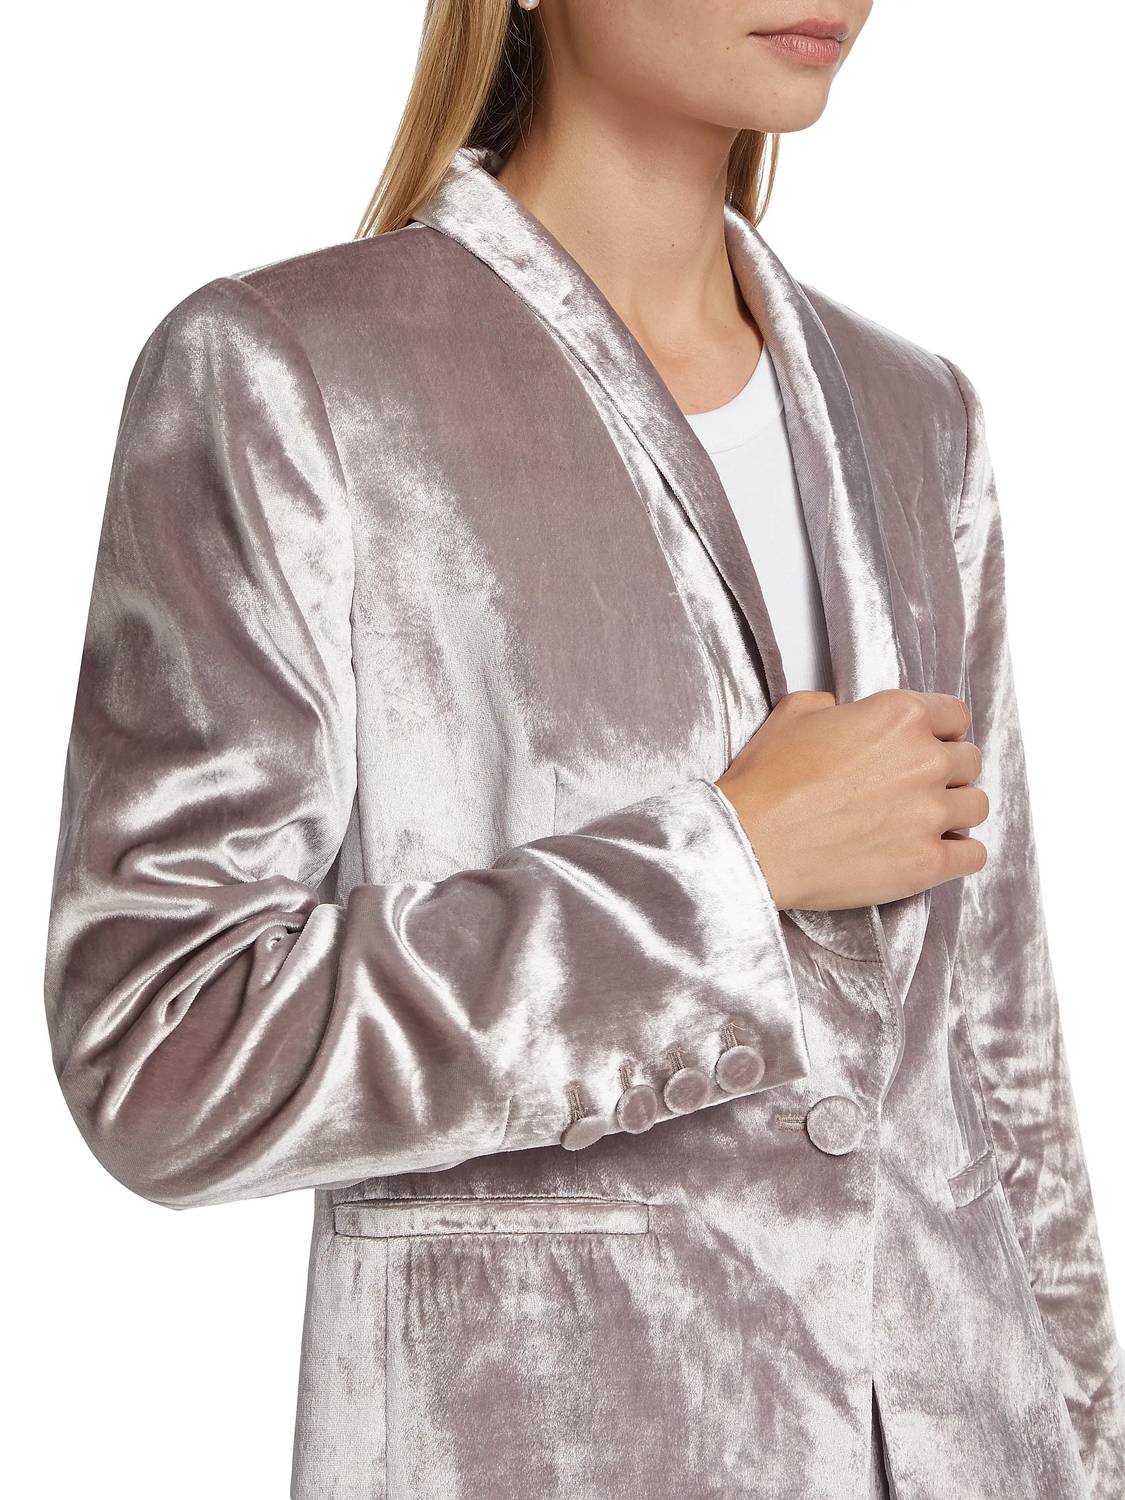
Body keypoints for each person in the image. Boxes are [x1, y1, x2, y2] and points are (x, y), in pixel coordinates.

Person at [42, 2, 1125, 1497]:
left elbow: (1003, 1063)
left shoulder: (915, 413)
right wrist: (723, 876)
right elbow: (166, 1052)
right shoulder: (287, 375)